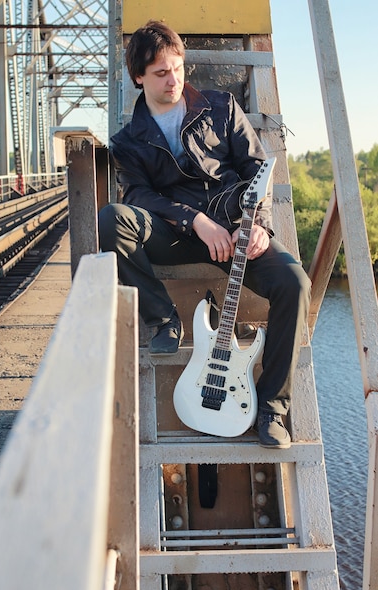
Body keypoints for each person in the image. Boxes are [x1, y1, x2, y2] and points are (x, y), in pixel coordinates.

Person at [99, 20, 311, 449]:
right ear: (138, 77)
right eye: (160, 72)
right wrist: (195, 220)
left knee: (295, 283)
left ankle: (273, 409)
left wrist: (259, 227)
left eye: (177, 68)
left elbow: (257, 169)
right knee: (112, 219)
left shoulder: (221, 107)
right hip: (177, 233)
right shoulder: (127, 140)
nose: (173, 79)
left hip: (236, 229)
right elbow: (139, 194)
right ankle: (162, 317)